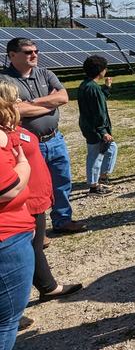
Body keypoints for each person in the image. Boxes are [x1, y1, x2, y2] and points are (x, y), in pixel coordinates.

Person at [0, 82, 81, 313]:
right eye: (15, 100)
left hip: (36, 197)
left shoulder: (15, 130)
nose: (20, 104)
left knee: (33, 247)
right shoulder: (6, 136)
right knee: (29, 249)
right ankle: (12, 311)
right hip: (26, 200)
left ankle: (46, 287)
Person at [0, 37, 85, 234]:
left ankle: (63, 219)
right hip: (26, 144)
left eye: (36, 51)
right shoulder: (4, 81)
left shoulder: (45, 73)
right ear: (12, 55)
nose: (34, 55)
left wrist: (32, 102)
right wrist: (48, 104)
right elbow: (14, 110)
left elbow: (63, 97)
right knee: (32, 187)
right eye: (28, 52)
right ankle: (36, 230)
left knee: (62, 181)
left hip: (54, 139)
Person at [0, 86, 39, 350]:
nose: (17, 106)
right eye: (11, 101)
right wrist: (22, 163)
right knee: (4, 322)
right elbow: (9, 190)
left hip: (10, 236)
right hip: (6, 240)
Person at [77, 55, 117, 195]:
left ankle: (102, 177)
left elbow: (99, 101)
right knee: (96, 154)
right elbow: (99, 112)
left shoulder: (86, 85)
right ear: (101, 70)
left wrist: (106, 88)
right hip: (95, 129)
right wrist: (103, 131)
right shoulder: (93, 88)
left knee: (110, 149)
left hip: (88, 126)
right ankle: (94, 186)